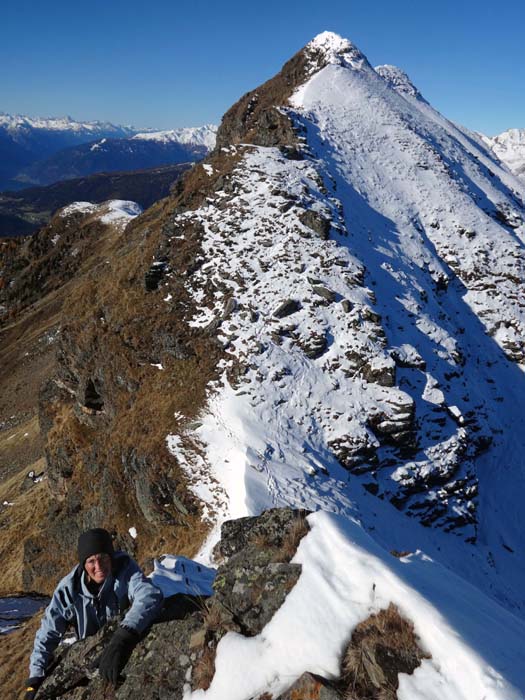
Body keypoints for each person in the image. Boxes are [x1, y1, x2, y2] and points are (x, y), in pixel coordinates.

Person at [24, 528, 164, 699]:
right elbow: (48, 632)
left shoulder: (124, 568)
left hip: (120, 638)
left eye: (103, 558)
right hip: (88, 652)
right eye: (91, 561)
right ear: (83, 565)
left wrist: (122, 638)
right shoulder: (68, 589)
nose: (98, 567)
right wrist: (34, 679)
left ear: (110, 557)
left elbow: (148, 595)